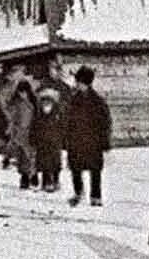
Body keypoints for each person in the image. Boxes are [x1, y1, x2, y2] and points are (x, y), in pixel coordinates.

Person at [64, 66, 111, 207]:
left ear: (85, 82)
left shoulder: (97, 101)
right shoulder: (73, 100)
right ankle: (78, 192)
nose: (76, 84)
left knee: (95, 170)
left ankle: (96, 196)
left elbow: (105, 122)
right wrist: (66, 139)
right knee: (75, 169)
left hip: (93, 141)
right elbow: (67, 120)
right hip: (76, 140)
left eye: (78, 82)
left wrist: (104, 141)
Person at [5, 75, 37, 189]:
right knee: (22, 156)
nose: (22, 94)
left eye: (24, 92)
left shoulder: (34, 103)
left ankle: (33, 176)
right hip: (19, 133)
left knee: (31, 156)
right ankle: (24, 177)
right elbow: (10, 116)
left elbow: (37, 117)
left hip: (31, 132)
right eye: (20, 92)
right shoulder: (15, 103)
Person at [31, 88, 65, 194]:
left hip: (55, 143)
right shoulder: (38, 116)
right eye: (44, 103)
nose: (46, 106)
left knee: (55, 163)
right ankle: (46, 182)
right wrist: (33, 139)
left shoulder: (57, 115)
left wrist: (63, 140)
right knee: (44, 163)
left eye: (48, 103)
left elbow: (63, 127)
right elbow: (33, 128)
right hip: (42, 143)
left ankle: (55, 179)